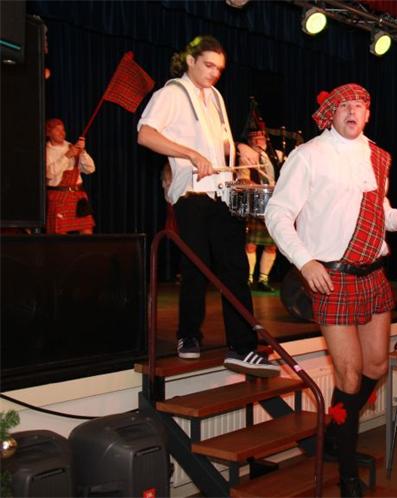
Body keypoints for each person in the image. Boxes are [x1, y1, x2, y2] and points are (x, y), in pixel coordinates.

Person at [265, 83, 397, 497]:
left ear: (368, 114)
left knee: (376, 367)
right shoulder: (308, 156)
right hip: (331, 277)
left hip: (373, 273)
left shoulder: (376, 155)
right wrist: (305, 262)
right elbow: (277, 213)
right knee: (350, 376)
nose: (353, 112)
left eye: (360, 106)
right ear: (331, 113)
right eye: (345, 106)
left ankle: (336, 427)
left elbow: (381, 213)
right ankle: (346, 474)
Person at [137, 35, 278, 377]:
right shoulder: (171, 93)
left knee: (234, 268)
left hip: (222, 193)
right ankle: (188, 334)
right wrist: (190, 154)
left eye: (219, 69)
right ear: (190, 61)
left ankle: (243, 347)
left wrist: (240, 150)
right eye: (209, 65)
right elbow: (145, 134)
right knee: (196, 267)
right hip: (192, 194)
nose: (215, 73)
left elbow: (219, 144)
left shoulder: (215, 97)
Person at [237, 127, 284, 292]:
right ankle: (248, 279)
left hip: (274, 203)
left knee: (271, 245)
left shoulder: (276, 156)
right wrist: (260, 188)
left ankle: (263, 279)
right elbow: (243, 180)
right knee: (251, 244)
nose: (258, 141)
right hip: (255, 201)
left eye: (260, 138)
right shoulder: (246, 158)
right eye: (254, 139)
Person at [45, 118, 95, 234]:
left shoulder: (71, 146)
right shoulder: (46, 151)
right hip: (59, 197)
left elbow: (90, 169)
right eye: (57, 130)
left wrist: (82, 152)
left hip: (78, 197)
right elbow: (49, 174)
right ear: (48, 133)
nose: (62, 133)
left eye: (63, 129)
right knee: (59, 234)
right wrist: (67, 156)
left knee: (87, 232)